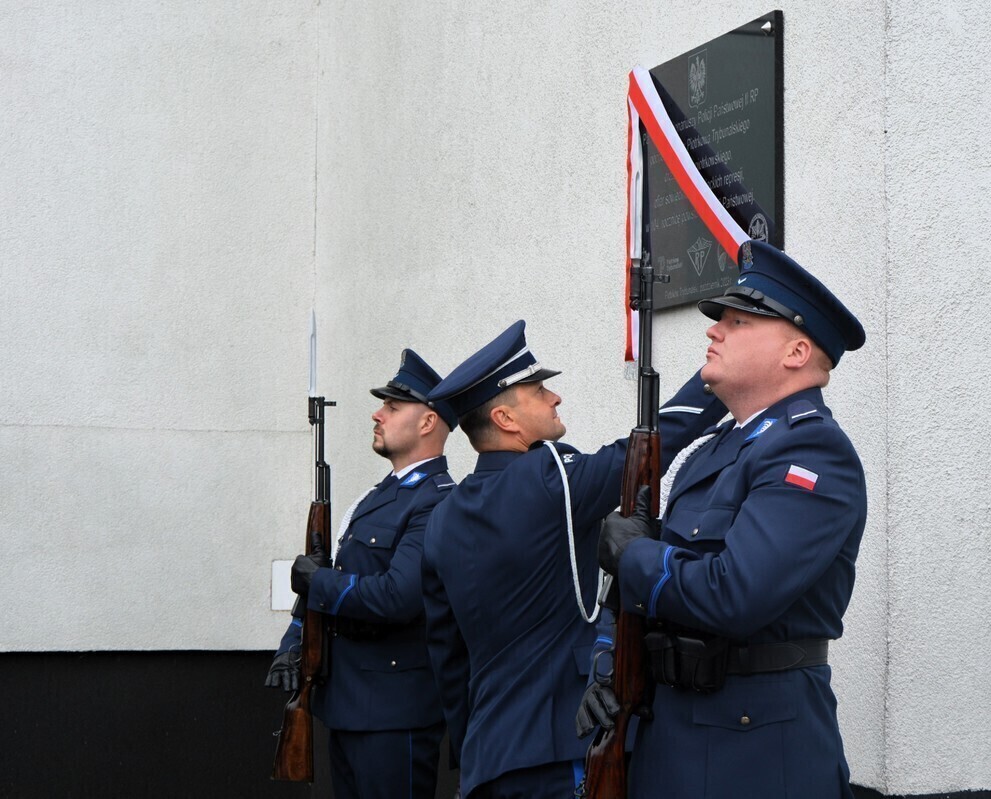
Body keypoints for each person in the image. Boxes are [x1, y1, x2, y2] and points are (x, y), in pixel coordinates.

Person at [585, 239, 868, 797]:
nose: (713, 331)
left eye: (737, 322)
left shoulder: (810, 453)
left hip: (754, 749)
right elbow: (650, 585)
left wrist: (634, 552)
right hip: (671, 734)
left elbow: (734, 594)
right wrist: (606, 659)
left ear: (795, 354)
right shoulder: (719, 449)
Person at [420, 320, 725, 799]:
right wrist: (720, 375)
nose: (554, 398)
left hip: (488, 757)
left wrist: (475, 749)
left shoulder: (442, 518)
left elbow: (448, 657)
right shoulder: (550, 478)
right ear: (505, 419)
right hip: (563, 749)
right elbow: (648, 446)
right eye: (538, 390)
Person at [266, 350, 458, 799]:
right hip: (348, 704)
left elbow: (397, 596)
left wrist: (317, 582)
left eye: (392, 407)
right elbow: (330, 569)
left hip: (395, 712)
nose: (378, 413)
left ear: (427, 423)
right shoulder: (379, 497)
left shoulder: (436, 501)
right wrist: (292, 643)